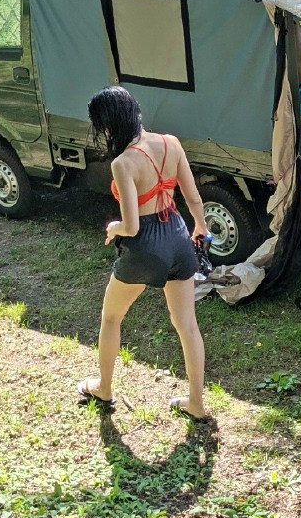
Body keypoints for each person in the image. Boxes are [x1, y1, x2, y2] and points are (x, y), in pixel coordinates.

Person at [76, 85, 211, 419]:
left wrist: (114, 228)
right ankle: (196, 404)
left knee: (111, 316)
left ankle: (104, 389)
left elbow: (132, 226)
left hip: (147, 244)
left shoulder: (123, 163)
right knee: (187, 325)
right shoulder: (171, 143)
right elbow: (192, 197)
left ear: (109, 126)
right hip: (179, 236)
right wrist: (200, 226)